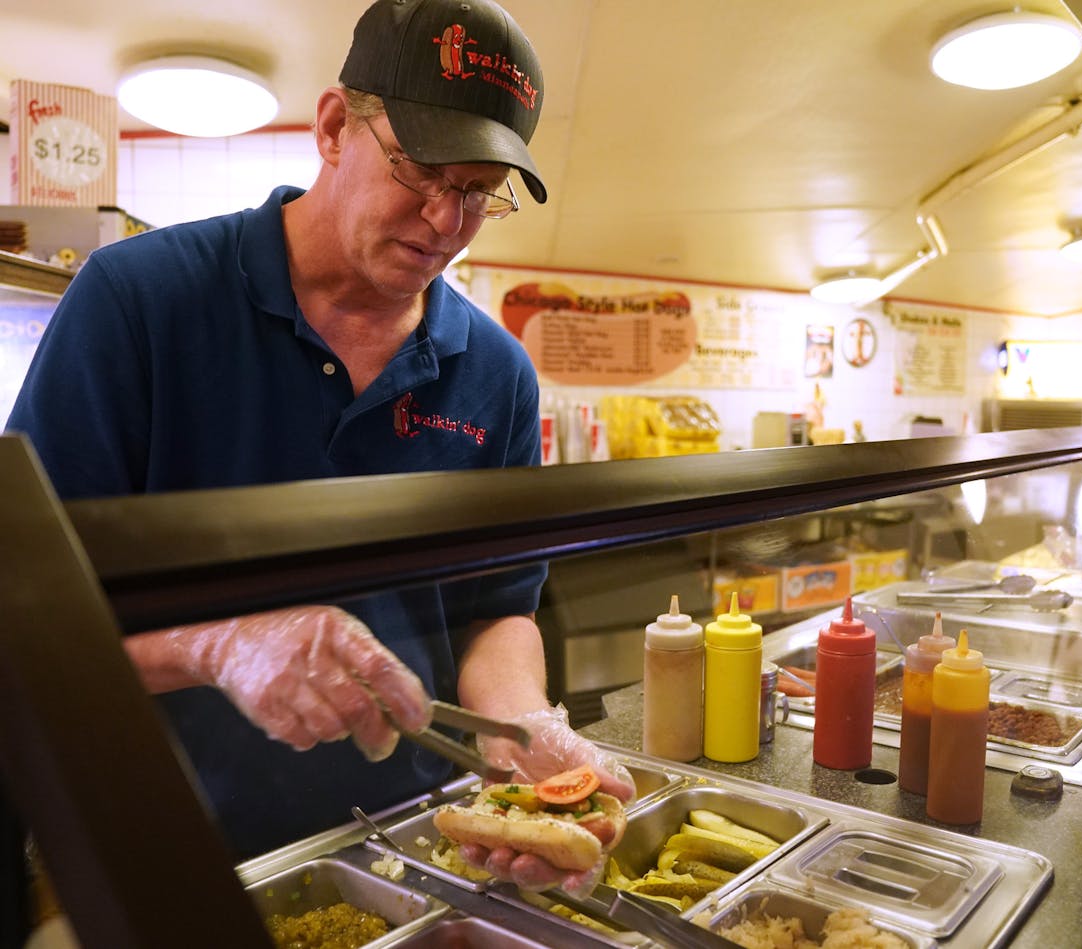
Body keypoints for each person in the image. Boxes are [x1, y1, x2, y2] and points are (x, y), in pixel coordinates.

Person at [5, 0, 628, 893]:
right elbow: (26, 609)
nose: (447, 220)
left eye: (480, 192)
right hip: (157, 839)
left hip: (410, 842)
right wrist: (220, 646)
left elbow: (497, 606)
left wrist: (521, 728)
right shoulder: (141, 300)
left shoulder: (496, 373)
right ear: (336, 126)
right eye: (422, 170)